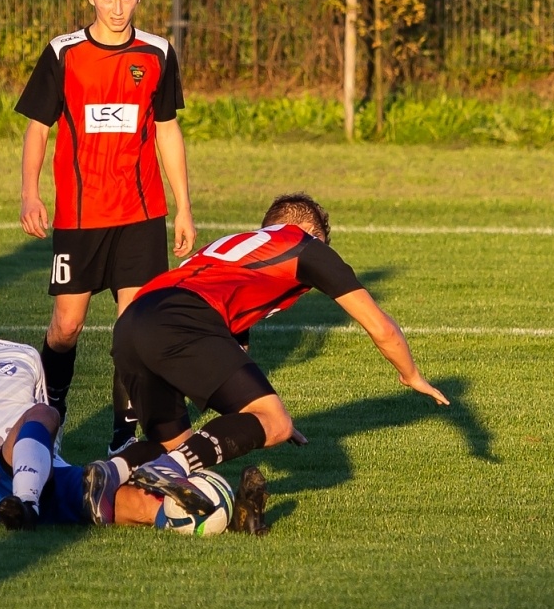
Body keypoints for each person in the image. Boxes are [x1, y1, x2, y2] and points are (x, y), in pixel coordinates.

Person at [109, 193, 450, 522]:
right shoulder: (303, 244)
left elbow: (234, 356)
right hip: (181, 316)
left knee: (178, 446)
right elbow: (382, 328)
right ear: (314, 235)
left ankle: (110, 473)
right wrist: (411, 375)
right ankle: (165, 471)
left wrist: (257, 421)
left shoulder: (233, 250)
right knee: (269, 424)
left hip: (133, 320)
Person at [0, 254, 254, 532]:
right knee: (43, 414)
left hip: (50, 473)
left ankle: (229, 519)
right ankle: (25, 504)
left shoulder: (24, 356)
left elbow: (47, 442)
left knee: (141, 494)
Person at [14, 0, 198, 457]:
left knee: (132, 330)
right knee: (66, 326)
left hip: (140, 214)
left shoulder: (157, 53)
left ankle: (125, 437)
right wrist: (30, 194)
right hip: (79, 215)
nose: (118, 9)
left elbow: (167, 130)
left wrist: (183, 206)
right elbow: (37, 128)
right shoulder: (64, 52)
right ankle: (48, 422)